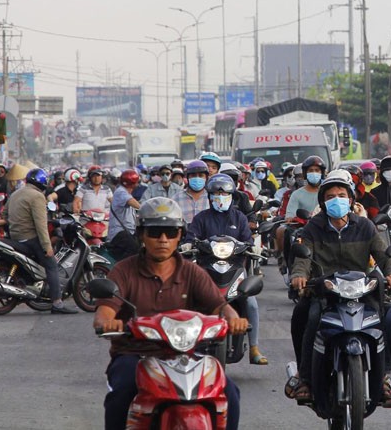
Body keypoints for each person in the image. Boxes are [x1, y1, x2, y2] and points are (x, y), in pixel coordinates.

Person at [92, 197, 248, 430]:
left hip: (187, 355)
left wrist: (233, 318)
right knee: (122, 393)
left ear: (179, 235)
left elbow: (219, 305)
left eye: (170, 232)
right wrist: (107, 323)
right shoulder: (123, 271)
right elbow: (104, 313)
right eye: (155, 232)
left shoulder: (193, 272)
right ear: (142, 235)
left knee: (230, 394)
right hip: (135, 354)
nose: (163, 239)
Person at [286, 169, 391, 402]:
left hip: (362, 290)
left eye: (341, 195)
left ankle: (384, 376)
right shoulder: (312, 228)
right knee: (306, 315)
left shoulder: (366, 226)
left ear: (350, 199)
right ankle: (306, 378)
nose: (336, 200)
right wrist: (299, 276)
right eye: (330, 196)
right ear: (323, 201)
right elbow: (302, 259)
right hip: (324, 290)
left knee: (390, 317)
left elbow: (384, 255)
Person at [185, 173, 268, 365]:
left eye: (224, 194)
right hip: (206, 269)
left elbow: (248, 240)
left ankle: (254, 348)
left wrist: (252, 246)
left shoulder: (239, 218)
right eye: (216, 194)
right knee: (188, 298)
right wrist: (189, 244)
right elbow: (191, 237)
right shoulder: (201, 218)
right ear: (210, 196)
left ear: (232, 196)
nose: (220, 197)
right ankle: (186, 343)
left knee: (252, 303)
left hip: (235, 268)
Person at [7, 168, 77, 314]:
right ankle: (57, 303)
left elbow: (4, 213)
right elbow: (41, 225)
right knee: (52, 265)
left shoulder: (16, 193)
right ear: (42, 182)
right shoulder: (37, 196)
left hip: (15, 237)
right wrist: (47, 246)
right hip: (31, 239)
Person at [106, 169, 141, 261]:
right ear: (133, 183)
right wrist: (146, 208)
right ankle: (123, 271)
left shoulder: (124, 192)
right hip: (119, 233)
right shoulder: (121, 192)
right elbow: (132, 202)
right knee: (134, 248)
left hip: (128, 231)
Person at [172, 160, 210, 224]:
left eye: (201, 175)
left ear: (206, 178)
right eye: (193, 175)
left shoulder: (211, 198)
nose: (197, 178)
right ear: (187, 177)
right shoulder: (176, 198)